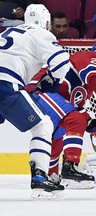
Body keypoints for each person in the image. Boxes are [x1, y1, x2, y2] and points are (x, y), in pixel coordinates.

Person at [0, 4, 71, 199]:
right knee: (43, 125)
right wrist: (53, 80)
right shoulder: (42, 34)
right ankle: (39, 177)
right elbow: (62, 62)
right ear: (46, 22)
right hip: (5, 84)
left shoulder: (9, 30)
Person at [26, 40, 96, 188]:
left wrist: (95, 126)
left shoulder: (85, 87)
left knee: (56, 137)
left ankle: (48, 178)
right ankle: (70, 166)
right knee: (75, 120)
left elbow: (76, 108)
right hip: (41, 91)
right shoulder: (90, 57)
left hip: (51, 100)